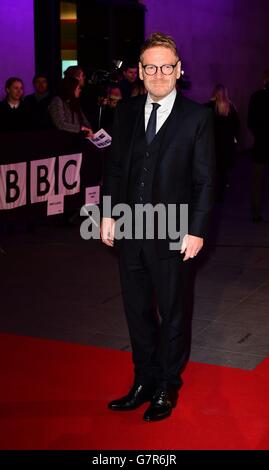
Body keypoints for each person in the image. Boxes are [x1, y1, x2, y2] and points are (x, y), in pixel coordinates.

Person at [101, 32, 215, 422]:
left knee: (172, 312)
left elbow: (205, 180)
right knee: (137, 311)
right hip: (131, 228)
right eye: (151, 66)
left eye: (167, 66)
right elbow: (115, 168)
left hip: (174, 232)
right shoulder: (127, 111)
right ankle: (143, 381)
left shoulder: (197, 117)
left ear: (179, 70)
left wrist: (196, 229)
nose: (159, 73)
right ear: (140, 71)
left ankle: (168, 384)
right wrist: (106, 214)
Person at [205, 84, 240, 202]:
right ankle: (221, 193)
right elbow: (237, 127)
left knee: (213, 170)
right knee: (223, 171)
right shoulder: (231, 107)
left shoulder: (210, 107)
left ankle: (213, 193)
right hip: (227, 144)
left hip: (214, 144)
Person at [247, 70, 269, 223]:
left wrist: (259, 134)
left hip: (261, 145)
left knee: (257, 182)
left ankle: (255, 213)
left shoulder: (256, 97)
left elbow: (250, 121)